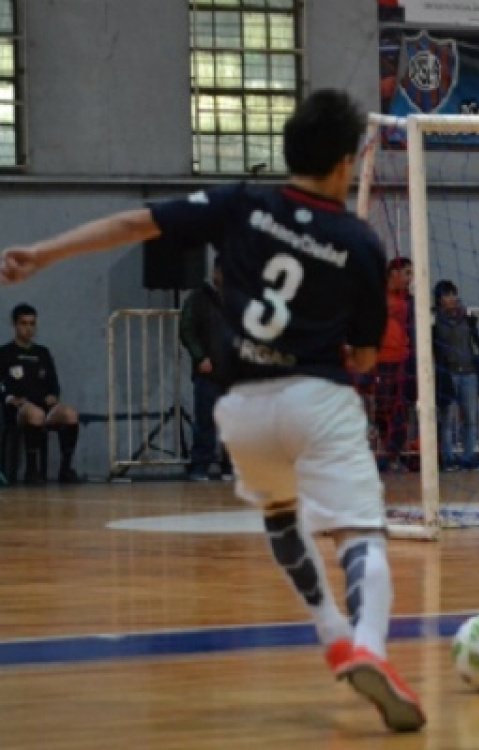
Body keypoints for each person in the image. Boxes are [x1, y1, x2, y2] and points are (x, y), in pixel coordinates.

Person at [0, 89, 425, 732]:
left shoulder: (244, 203)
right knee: (360, 532)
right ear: (347, 162)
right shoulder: (360, 242)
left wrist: (45, 253)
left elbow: (136, 223)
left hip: (245, 409)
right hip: (318, 399)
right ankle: (367, 644)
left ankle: (330, 631)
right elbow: (366, 358)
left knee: (281, 515)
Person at [0, 304, 83, 484]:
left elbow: (54, 383)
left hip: (44, 406)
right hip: (18, 409)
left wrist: (53, 395)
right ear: (15, 325)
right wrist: (10, 398)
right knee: (35, 414)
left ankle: (66, 468)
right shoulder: (4, 353)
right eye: (24, 323)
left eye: (32, 324)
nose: (29, 328)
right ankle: (32, 470)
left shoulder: (42, 352)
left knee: (70, 414)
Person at [179, 255, 233, 481]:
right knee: (205, 420)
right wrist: (200, 357)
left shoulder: (238, 298)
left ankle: (230, 465)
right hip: (208, 371)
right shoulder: (198, 298)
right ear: (216, 272)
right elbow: (186, 330)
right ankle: (200, 465)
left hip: (233, 371)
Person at [432, 279, 479, 471]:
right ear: (439, 299)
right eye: (447, 295)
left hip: (469, 372)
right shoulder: (434, 320)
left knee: (470, 418)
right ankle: (447, 458)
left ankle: (468, 457)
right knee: (446, 418)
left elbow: (475, 342)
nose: (452, 298)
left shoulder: (467, 318)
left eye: (453, 294)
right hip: (448, 373)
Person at [375, 256, 415, 472]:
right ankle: (386, 454)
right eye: (407, 273)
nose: (410, 279)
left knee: (401, 412)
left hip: (403, 363)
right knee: (383, 410)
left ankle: (393, 456)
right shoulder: (376, 296)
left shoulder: (409, 302)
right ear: (393, 273)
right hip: (381, 363)